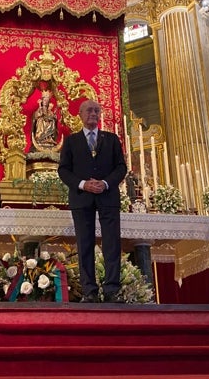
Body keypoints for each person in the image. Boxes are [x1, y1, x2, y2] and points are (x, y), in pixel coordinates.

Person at [58, 99, 127, 303]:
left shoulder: (112, 139)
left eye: (97, 110)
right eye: (89, 110)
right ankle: (90, 291)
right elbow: (63, 170)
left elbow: (121, 167)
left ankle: (112, 289)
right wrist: (82, 184)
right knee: (85, 244)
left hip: (108, 197)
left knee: (112, 244)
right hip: (82, 198)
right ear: (80, 114)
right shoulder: (71, 141)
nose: (93, 113)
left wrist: (105, 183)